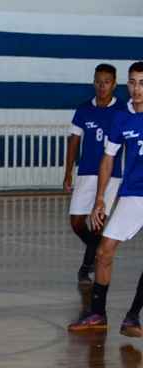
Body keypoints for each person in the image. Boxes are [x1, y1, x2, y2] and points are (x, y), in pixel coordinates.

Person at [71, 62, 143, 338]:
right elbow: (108, 158)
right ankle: (98, 314)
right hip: (133, 193)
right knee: (104, 252)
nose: (137, 89)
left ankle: (133, 317)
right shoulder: (121, 118)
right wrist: (100, 199)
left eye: (142, 83)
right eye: (133, 82)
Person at [63, 64, 122, 285]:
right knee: (77, 222)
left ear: (114, 84)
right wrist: (68, 172)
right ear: (93, 82)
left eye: (107, 81)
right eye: (98, 81)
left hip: (111, 175)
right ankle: (97, 250)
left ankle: (87, 267)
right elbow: (73, 141)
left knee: (97, 223)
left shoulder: (122, 111)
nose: (102, 86)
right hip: (86, 172)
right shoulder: (84, 109)